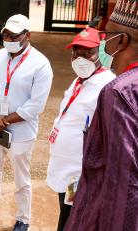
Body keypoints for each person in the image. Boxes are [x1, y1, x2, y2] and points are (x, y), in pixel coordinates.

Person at [0, 14, 53, 231]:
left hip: (22, 129)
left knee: (21, 177)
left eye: (14, 35)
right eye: (5, 34)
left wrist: (3, 120)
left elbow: (36, 106)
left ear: (28, 36)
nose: (8, 38)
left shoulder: (41, 64)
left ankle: (23, 218)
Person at [65, 0, 138, 230]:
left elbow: (122, 184)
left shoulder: (119, 91)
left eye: (107, 36)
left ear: (123, 41)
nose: (103, 43)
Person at [46, 27, 115, 231]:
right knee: (66, 211)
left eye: (88, 53)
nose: (81, 58)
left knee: (73, 219)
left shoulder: (107, 86)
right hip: (65, 167)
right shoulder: (80, 80)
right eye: (76, 52)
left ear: (100, 53)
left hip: (80, 172)